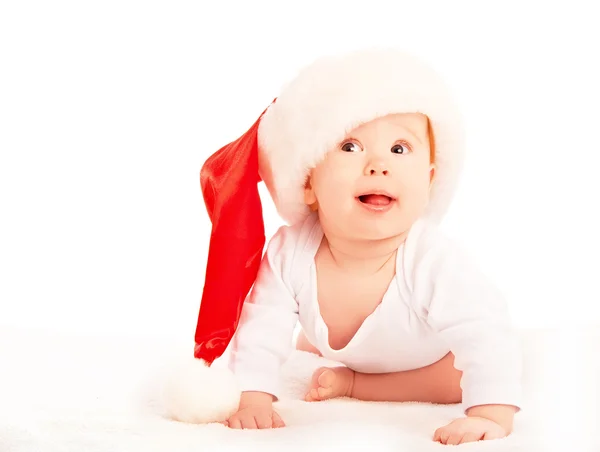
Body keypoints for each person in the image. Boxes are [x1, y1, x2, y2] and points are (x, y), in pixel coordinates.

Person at [181, 48, 522, 446]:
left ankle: (357, 383)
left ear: (430, 180)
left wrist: (491, 414)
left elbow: (482, 330)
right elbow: (260, 327)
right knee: (293, 338)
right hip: (366, 346)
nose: (378, 165)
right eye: (349, 147)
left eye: (399, 149)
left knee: (457, 378)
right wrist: (253, 398)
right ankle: (346, 366)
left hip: (435, 358)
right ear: (308, 181)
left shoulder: (432, 259)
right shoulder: (290, 251)